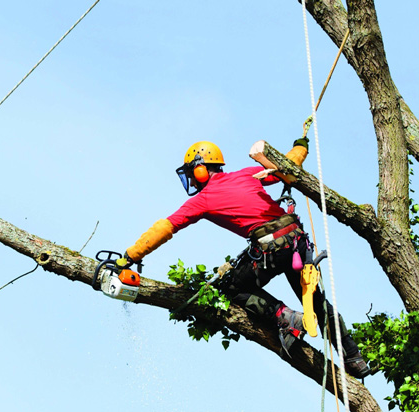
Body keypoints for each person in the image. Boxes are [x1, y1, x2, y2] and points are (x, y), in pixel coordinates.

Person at [119, 140, 373, 379]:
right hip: (296, 242)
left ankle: (286, 317)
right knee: (316, 303)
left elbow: (165, 228)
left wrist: (129, 256)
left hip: (271, 248)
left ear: (200, 170)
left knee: (232, 288)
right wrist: (300, 146)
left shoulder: (203, 199)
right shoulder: (246, 174)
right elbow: (288, 163)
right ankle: (354, 358)